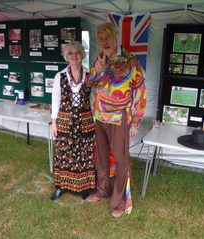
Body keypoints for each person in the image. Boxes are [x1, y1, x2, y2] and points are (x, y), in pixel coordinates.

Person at [85, 22, 147, 218]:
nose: (104, 41)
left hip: (119, 118)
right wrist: (98, 68)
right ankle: (101, 190)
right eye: (101, 38)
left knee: (121, 161)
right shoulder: (99, 59)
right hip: (99, 115)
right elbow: (89, 82)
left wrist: (136, 121)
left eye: (107, 37)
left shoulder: (130, 61)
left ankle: (119, 202)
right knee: (101, 157)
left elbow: (140, 91)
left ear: (116, 37)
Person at [50, 41, 96, 201]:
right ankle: (60, 187)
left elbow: (94, 99)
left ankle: (84, 187)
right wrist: (54, 122)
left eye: (77, 52)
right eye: (70, 53)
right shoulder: (60, 76)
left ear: (82, 54)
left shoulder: (90, 75)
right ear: (65, 56)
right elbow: (55, 100)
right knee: (63, 153)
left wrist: (95, 118)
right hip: (65, 119)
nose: (74, 55)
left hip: (85, 118)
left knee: (84, 153)